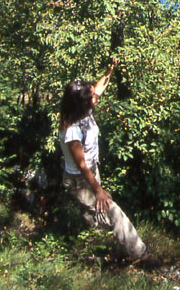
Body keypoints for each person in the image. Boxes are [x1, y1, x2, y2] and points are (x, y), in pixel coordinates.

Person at [58, 58, 151, 263]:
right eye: (91, 97)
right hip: (81, 180)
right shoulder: (72, 130)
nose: (96, 97)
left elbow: (100, 87)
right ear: (82, 102)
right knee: (112, 210)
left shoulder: (83, 110)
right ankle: (140, 255)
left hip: (91, 172)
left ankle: (94, 246)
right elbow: (81, 166)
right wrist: (98, 190)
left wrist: (111, 69)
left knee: (94, 215)